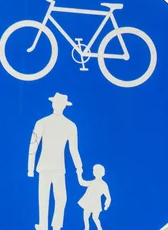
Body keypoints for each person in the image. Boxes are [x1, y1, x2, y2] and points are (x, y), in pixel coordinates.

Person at [28, 92, 83, 230]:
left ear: (64, 106)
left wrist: (79, 167)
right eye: (57, 103)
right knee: (44, 200)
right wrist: (30, 168)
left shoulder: (70, 125)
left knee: (61, 199)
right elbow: (33, 146)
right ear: (53, 104)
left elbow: (74, 150)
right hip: (45, 167)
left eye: (61, 104)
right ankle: (43, 226)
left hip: (59, 168)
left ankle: (56, 226)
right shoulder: (42, 122)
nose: (58, 106)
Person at [77, 164, 111, 230]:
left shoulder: (104, 184)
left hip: (96, 204)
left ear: (102, 173)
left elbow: (108, 197)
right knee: (86, 216)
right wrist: (79, 174)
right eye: (94, 171)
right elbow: (82, 182)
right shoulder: (92, 182)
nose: (94, 172)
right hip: (89, 202)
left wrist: (107, 205)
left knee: (95, 217)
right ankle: (87, 228)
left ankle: (99, 228)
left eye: (97, 171)